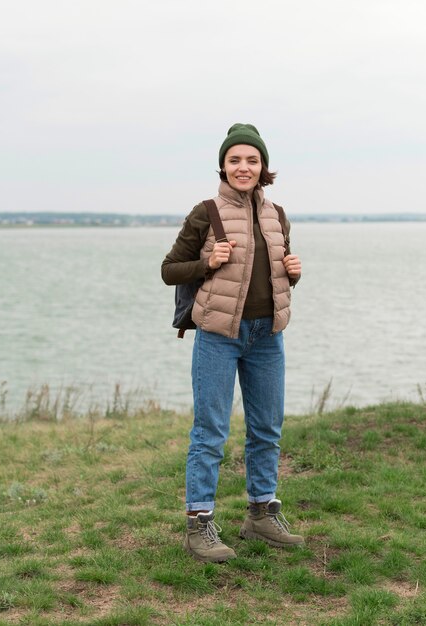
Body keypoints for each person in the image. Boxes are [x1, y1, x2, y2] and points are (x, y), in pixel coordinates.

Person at [161, 123, 304, 562]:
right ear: (223, 166)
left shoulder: (277, 215)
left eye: (252, 160)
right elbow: (170, 269)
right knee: (210, 433)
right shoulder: (206, 213)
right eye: (235, 160)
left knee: (267, 429)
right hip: (218, 337)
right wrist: (207, 261)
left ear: (263, 168)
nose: (244, 167)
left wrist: (292, 274)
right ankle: (199, 524)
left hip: (267, 337)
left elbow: (269, 278)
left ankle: (261, 514)